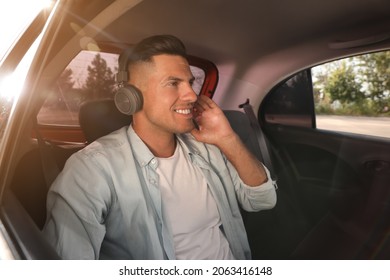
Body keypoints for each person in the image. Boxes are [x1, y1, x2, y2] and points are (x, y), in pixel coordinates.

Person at [43, 35, 277, 260]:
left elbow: (263, 200)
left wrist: (227, 139)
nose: (191, 95)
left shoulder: (207, 147)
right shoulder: (92, 169)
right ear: (130, 96)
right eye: (173, 83)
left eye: (190, 83)